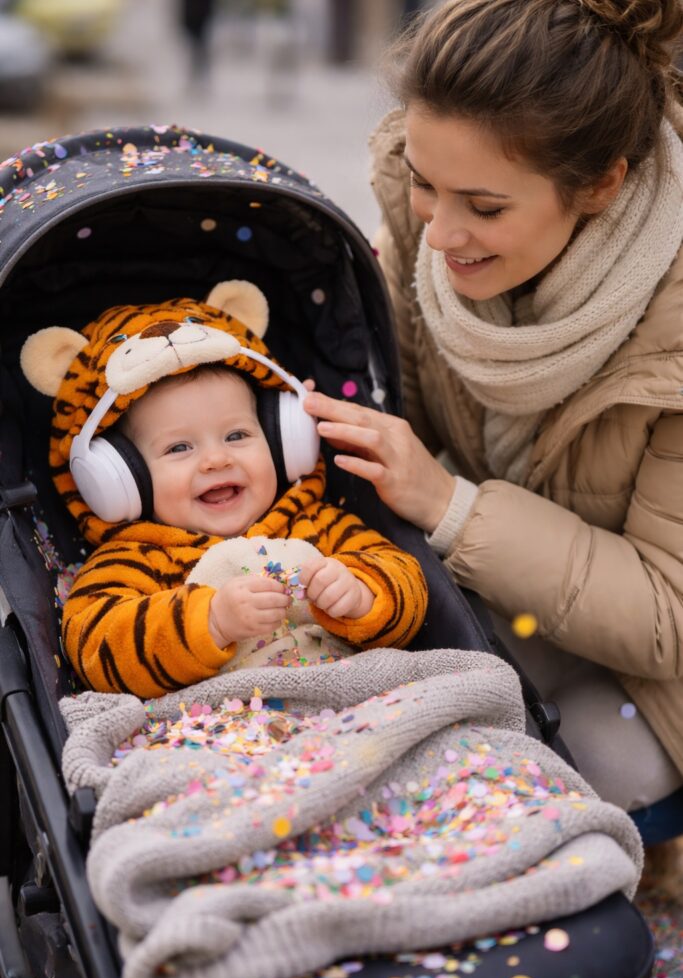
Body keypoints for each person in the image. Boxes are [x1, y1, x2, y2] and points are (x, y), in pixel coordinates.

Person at [303, 0, 683, 821]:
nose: (439, 234)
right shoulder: (428, 236)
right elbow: (396, 404)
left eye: (484, 207)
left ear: (599, 185)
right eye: (423, 183)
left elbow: (665, 618)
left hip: (649, 678)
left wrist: (448, 507)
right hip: (504, 594)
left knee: (574, 768)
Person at [23, 288, 427, 699]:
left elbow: (407, 580)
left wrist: (362, 595)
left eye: (237, 435)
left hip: (354, 700)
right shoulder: (135, 556)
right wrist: (209, 622)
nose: (216, 460)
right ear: (121, 477)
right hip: (217, 735)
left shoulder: (314, 522)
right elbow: (94, 646)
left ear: (280, 439)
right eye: (179, 448)